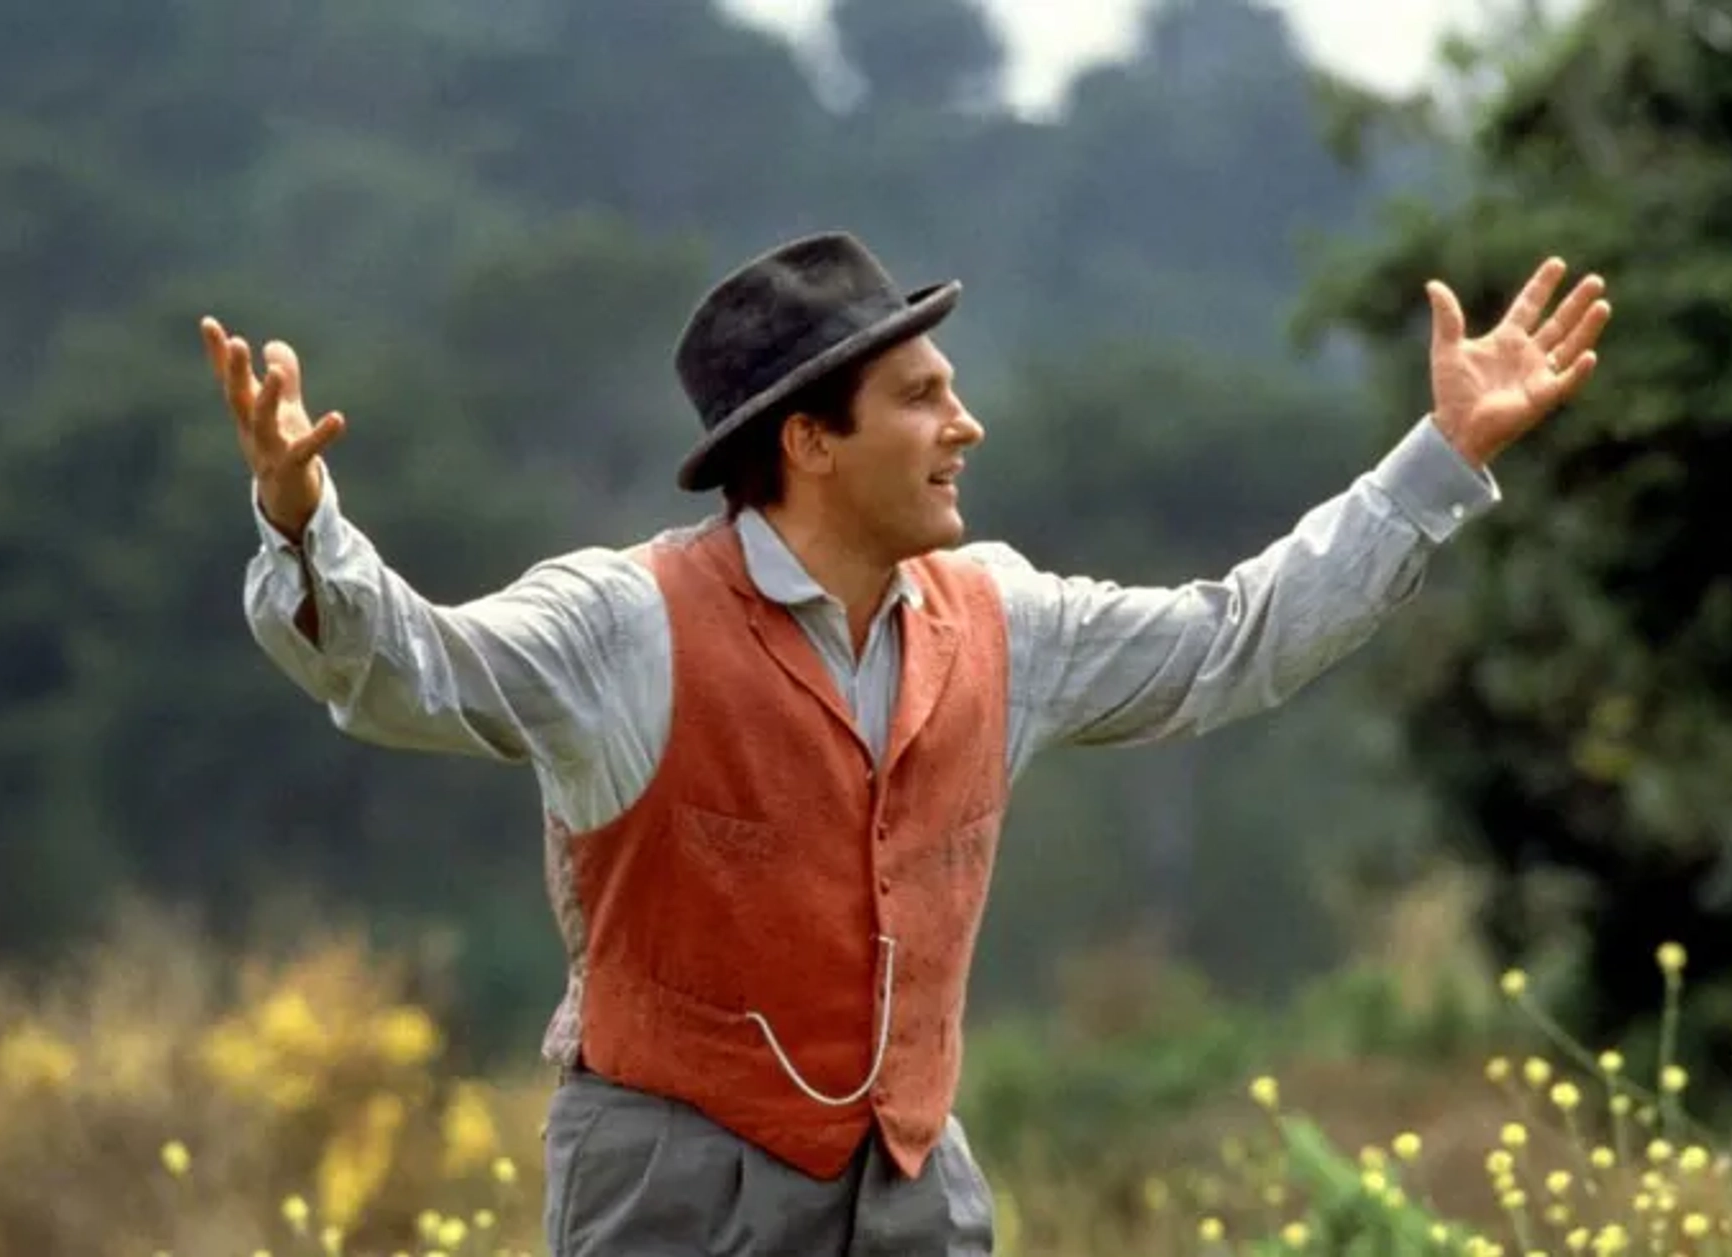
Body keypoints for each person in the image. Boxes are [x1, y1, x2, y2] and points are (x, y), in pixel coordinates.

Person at [201, 231, 1609, 1256]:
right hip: (670, 1192)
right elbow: (411, 667)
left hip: (913, 1187)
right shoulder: (624, 621)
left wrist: (1439, 456)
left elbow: (1232, 637)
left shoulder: (1004, 619)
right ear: (809, 441)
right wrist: (298, 523)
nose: (965, 423)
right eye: (924, 398)